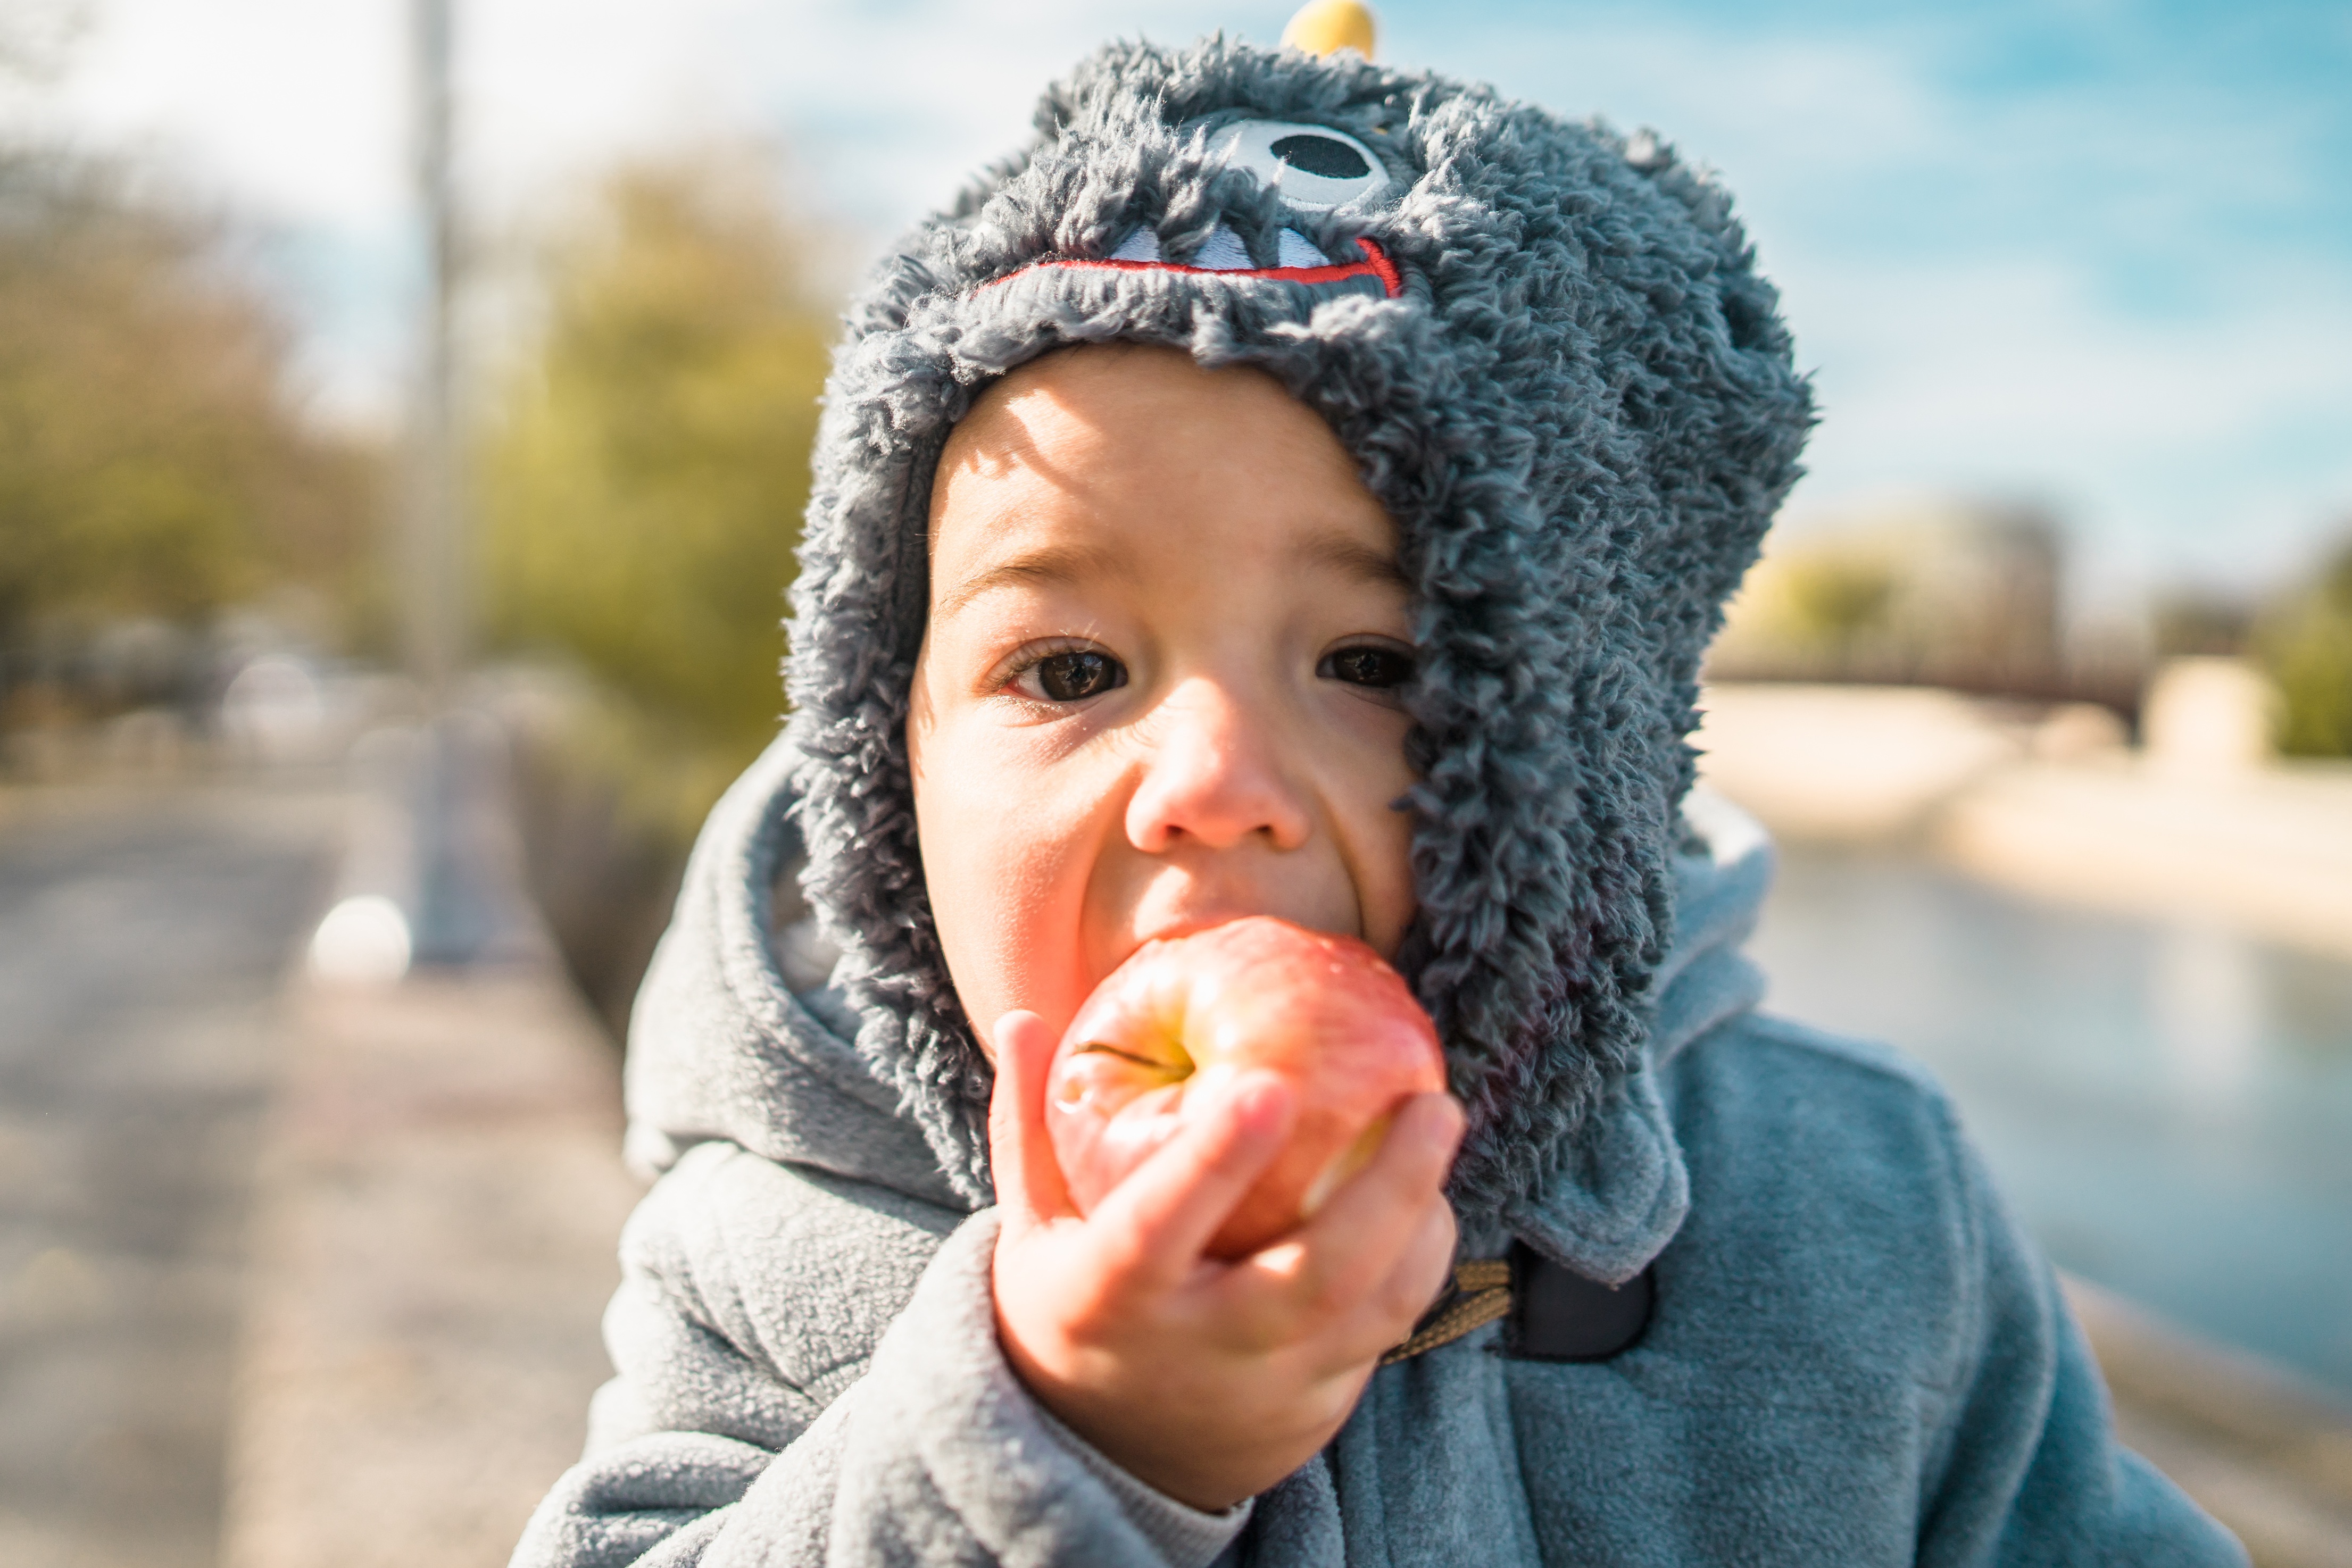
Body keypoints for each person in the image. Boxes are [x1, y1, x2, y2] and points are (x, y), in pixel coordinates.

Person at [512, 15, 2247, 1566]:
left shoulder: (1853, 1208)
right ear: (889, 777)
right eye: (1067, 670)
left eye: (1379, 665)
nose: (1205, 786)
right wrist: (1054, 1442)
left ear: (1594, 747)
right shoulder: (789, 1232)